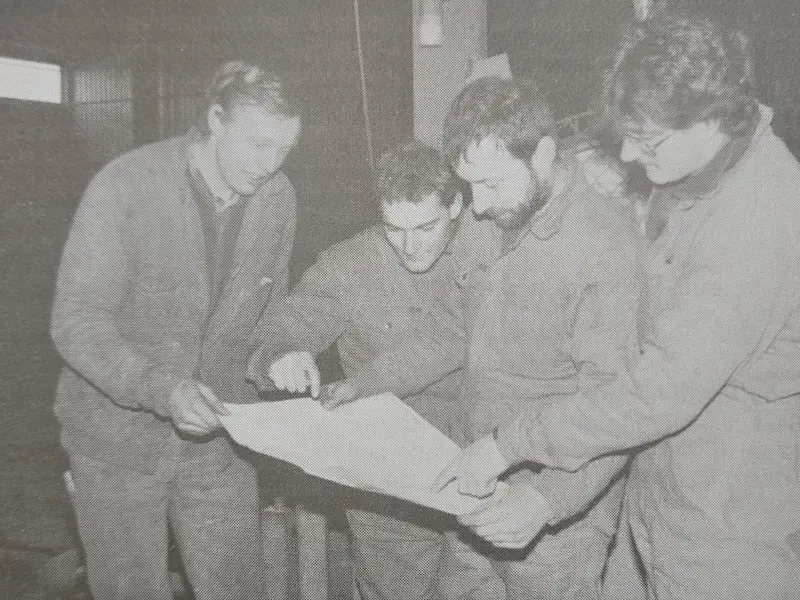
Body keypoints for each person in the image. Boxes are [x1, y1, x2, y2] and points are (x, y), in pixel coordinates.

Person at [437, 15, 800, 600]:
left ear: (710, 120)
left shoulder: (757, 220)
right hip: (660, 496)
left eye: (647, 141)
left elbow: (657, 391)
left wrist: (510, 445)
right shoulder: (697, 170)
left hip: (726, 520)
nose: (628, 154)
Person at [325, 77, 641, 599]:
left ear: (542, 154)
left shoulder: (604, 248)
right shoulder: (491, 218)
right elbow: (453, 327)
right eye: (469, 186)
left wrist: (546, 500)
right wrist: (368, 383)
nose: (475, 205)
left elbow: (617, 407)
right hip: (474, 484)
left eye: (491, 183)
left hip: (553, 519)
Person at [51, 59, 302, 600]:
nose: (270, 165)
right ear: (215, 119)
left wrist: (276, 355)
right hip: (115, 441)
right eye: (258, 144)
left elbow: (267, 314)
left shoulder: (276, 198)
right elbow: (76, 320)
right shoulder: (127, 186)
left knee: (239, 589)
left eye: (284, 149)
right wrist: (162, 389)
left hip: (218, 438)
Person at [248, 140, 502, 600]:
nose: (410, 246)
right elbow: (286, 326)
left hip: (479, 469)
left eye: (425, 227)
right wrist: (282, 355)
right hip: (388, 485)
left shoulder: (491, 250)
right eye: (394, 228)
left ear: (456, 206)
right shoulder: (351, 264)